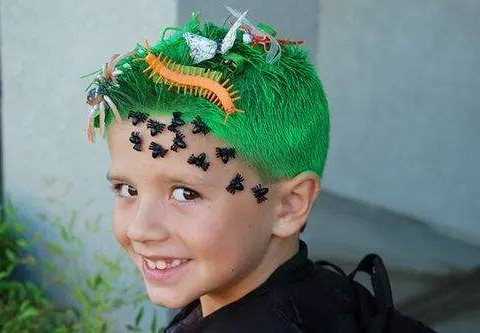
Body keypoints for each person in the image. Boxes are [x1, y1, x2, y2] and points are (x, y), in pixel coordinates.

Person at [85, 7, 435, 333]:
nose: (141, 229)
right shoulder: (327, 296)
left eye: (185, 193)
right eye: (126, 190)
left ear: (289, 205)